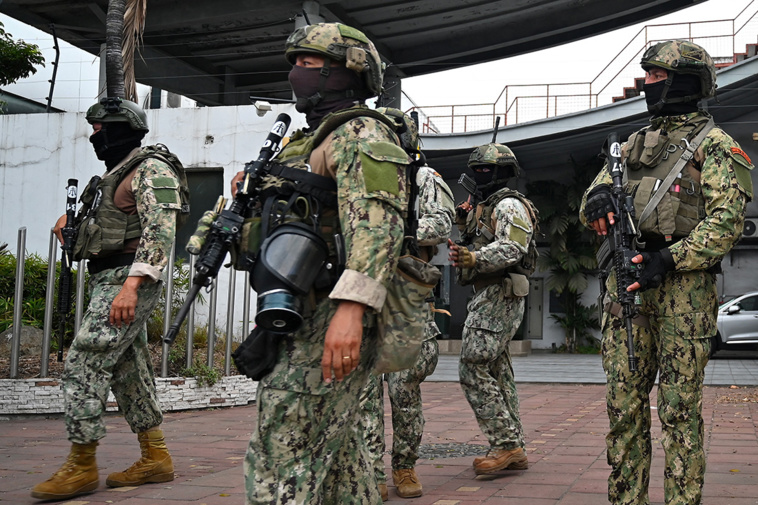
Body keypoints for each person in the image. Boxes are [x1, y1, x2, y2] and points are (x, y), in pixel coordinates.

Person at [236, 22, 415, 504]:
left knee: (281, 456)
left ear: (346, 71)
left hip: (331, 312)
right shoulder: (307, 141)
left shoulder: (361, 132)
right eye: (294, 63)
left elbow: (377, 227)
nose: (296, 72)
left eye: (308, 63)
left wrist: (351, 310)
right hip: (303, 308)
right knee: (342, 468)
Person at [579, 40, 753, 505]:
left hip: (684, 292)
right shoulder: (631, 145)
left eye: (657, 76)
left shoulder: (716, 145)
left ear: (685, 82)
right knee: (623, 409)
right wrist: (596, 201)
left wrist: (670, 259)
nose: (647, 84)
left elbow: (726, 223)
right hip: (626, 286)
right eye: (649, 75)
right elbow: (592, 204)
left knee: (679, 413)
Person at [32, 97, 185, 501]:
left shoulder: (151, 168)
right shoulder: (114, 174)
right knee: (128, 369)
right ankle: (156, 456)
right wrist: (70, 225)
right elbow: (105, 224)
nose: (94, 137)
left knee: (85, 359)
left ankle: (81, 464)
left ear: (120, 129)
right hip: (107, 277)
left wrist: (131, 287)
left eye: (99, 130)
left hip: (127, 277)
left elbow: (160, 231)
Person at [359, 160, 454, 500]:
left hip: (406, 296)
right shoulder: (356, 170)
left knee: (404, 391)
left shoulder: (421, 176)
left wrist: (391, 229)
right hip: (363, 294)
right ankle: (370, 470)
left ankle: (404, 465)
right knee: (364, 394)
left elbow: (442, 221)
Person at [448, 142, 539, 475]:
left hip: (500, 294)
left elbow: (513, 247)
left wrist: (474, 257)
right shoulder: (483, 207)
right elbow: (481, 240)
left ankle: (505, 444)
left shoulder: (509, 204)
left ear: (504, 173)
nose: (480, 175)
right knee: (498, 372)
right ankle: (514, 446)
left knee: (472, 367)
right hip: (487, 293)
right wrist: (464, 224)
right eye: (477, 169)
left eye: (487, 170)